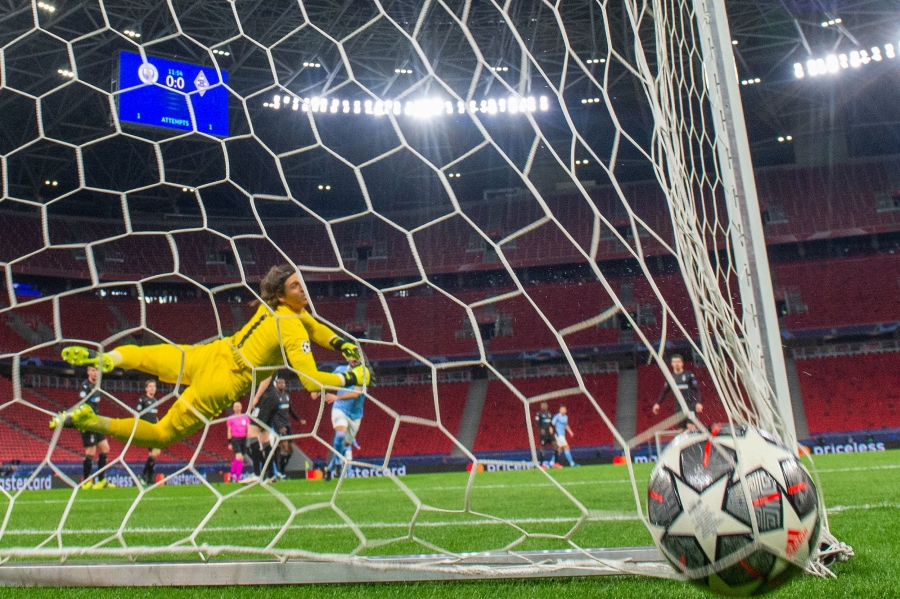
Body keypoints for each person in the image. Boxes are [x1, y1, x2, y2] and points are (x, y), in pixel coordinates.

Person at [51, 264, 370, 450]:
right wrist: (351, 377)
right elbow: (310, 378)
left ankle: (110, 359)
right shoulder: (291, 328)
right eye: (296, 286)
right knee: (162, 436)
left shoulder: (274, 306)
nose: (303, 290)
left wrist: (341, 343)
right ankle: (94, 421)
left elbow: (315, 327)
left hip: (212, 352)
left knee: (148, 358)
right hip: (224, 381)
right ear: (283, 294)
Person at [313, 356, 365, 481]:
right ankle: (337, 465)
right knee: (340, 436)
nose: (354, 360)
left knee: (343, 447)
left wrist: (337, 397)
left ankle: (328, 469)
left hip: (355, 416)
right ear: (347, 358)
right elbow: (327, 381)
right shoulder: (340, 370)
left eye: (357, 357)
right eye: (352, 356)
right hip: (340, 409)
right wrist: (316, 390)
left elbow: (355, 394)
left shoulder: (363, 374)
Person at [247, 372, 305, 482]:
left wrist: (256, 398)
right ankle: (271, 475)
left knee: (252, 432)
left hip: (266, 398)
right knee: (265, 438)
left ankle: (256, 473)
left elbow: (267, 376)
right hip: (272, 399)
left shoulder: (262, 362)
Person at [77, 366, 115, 489]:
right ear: (88, 372)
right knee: (91, 452)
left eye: (97, 370)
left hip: (97, 421)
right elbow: (82, 405)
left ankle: (101, 480)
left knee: (105, 449)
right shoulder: (85, 386)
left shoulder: (97, 387)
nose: (95, 373)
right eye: (93, 370)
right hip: (88, 422)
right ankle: (87, 481)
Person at [652, 354, 703, 431]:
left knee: (690, 426)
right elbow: (664, 392)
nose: (676, 363)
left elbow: (697, 389)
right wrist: (658, 403)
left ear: (682, 363)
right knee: (681, 430)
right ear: (672, 364)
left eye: (678, 361)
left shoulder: (689, 375)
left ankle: (695, 442)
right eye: (674, 362)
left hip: (690, 406)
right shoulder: (670, 377)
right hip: (679, 407)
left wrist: (699, 402)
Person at [136, 379, 163, 485]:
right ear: (146, 388)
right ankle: (143, 475)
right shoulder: (142, 399)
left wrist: (159, 424)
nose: (152, 388)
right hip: (146, 430)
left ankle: (148, 479)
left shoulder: (155, 401)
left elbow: (155, 416)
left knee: (153, 454)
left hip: (154, 429)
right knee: (156, 452)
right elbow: (137, 414)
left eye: (154, 386)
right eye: (150, 386)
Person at [226, 401, 250, 483]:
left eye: (238, 406)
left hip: (244, 438)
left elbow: (248, 428)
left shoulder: (245, 417)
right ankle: (232, 475)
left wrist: (249, 438)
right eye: (235, 406)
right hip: (235, 439)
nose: (237, 408)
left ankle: (237, 478)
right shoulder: (230, 418)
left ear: (241, 407)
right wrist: (229, 442)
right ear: (233, 408)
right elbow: (229, 430)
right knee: (238, 456)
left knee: (241, 459)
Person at [534, 402, 556, 468]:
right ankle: (541, 464)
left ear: (547, 406)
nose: (544, 406)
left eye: (545, 405)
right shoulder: (539, 414)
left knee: (556, 445)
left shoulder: (549, 414)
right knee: (542, 447)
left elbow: (552, 423)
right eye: (542, 405)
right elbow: (537, 424)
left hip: (549, 433)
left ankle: (555, 462)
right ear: (541, 407)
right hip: (543, 434)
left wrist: (552, 427)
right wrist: (541, 429)